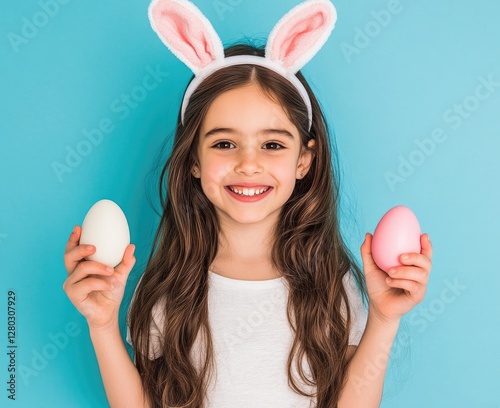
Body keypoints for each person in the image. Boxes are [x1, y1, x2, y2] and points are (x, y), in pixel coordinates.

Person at [62, 0, 432, 407]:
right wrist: (101, 326)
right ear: (194, 161)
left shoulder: (331, 285)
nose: (248, 164)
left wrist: (383, 319)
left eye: (272, 144)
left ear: (304, 161)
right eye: (224, 143)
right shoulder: (170, 287)